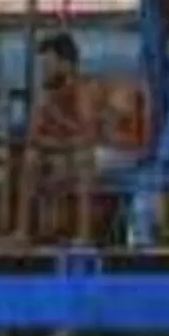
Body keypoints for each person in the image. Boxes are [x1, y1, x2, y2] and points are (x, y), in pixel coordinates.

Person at [18, 31, 101, 242]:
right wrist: (56, 144)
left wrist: (56, 116)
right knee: (31, 158)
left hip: (89, 155)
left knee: (83, 158)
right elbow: (32, 136)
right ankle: (22, 232)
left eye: (48, 64)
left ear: (66, 64)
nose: (44, 70)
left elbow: (88, 137)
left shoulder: (84, 90)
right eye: (43, 65)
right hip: (58, 153)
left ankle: (84, 235)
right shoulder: (43, 94)